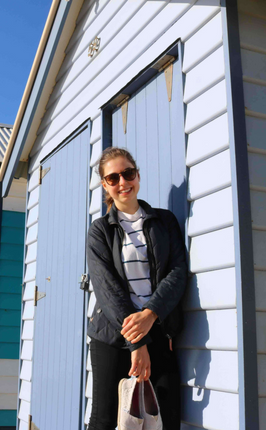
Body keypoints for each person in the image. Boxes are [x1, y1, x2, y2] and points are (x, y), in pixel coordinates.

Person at [86, 147, 187, 430]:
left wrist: (151, 314)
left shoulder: (164, 221)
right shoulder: (100, 230)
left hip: (157, 328)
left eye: (127, 173)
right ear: (105, 185)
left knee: (165, 417)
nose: (122, 183)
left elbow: (177, 273)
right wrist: (137, 342)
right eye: (113, 178)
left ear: (137, 175)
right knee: (104, 419)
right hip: (111, 336)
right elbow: (108, 290)